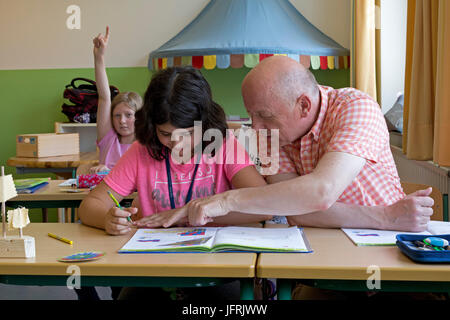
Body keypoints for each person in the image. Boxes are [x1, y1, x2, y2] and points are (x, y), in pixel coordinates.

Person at [158, 55, 434, 233]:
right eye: (251, 114)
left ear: (303, 105)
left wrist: (227, 199)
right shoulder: (268, 134)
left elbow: (321, 191)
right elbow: (296, 211)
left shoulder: (356, 107)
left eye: (264, 115)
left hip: (387, 248)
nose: (255, 127)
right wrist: (384, 216)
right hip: (327, 253)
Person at [78, 65, 271, 235]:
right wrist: (107, 219)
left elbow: (265, 205)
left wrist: (186, 214)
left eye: (187, 133)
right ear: (152, 126)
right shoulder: (141, 151)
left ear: (205, 124)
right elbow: (89, 206)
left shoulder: (223, 144)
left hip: (216, 261)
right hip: (155, 260)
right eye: (165, 133)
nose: (178, 144)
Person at [88, 26, 143, 174]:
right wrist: (99, 57)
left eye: (128, 115)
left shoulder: (145, 146)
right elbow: (104, 97)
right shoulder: (108, 139)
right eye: (117, 115)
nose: (122, 121)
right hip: (105, 196)